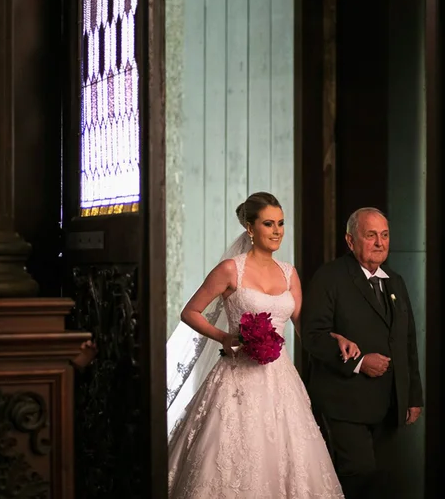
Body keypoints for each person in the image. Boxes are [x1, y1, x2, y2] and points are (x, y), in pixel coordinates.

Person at [166, 192, 358, 498]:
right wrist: (225, 338)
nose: (277, 231)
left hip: (280, 379)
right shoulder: (231, 269)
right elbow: (190, 312)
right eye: (268, 224)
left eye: (281, 223)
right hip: (237, 379)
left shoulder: (289, 273)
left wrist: (337, 337)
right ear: (250, 228)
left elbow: (305, 328)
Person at [301, 207, 424, 499]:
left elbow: (407, 342)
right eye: (371, 236)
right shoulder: (329, 277)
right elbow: (312, 336)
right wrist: (359, 362)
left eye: (384, 235)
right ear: (350, 240)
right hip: (344, 401)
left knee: (383, 479)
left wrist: (413, 396)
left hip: (389, 402)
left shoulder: (395, 281)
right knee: (359, 474)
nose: (380, 243)